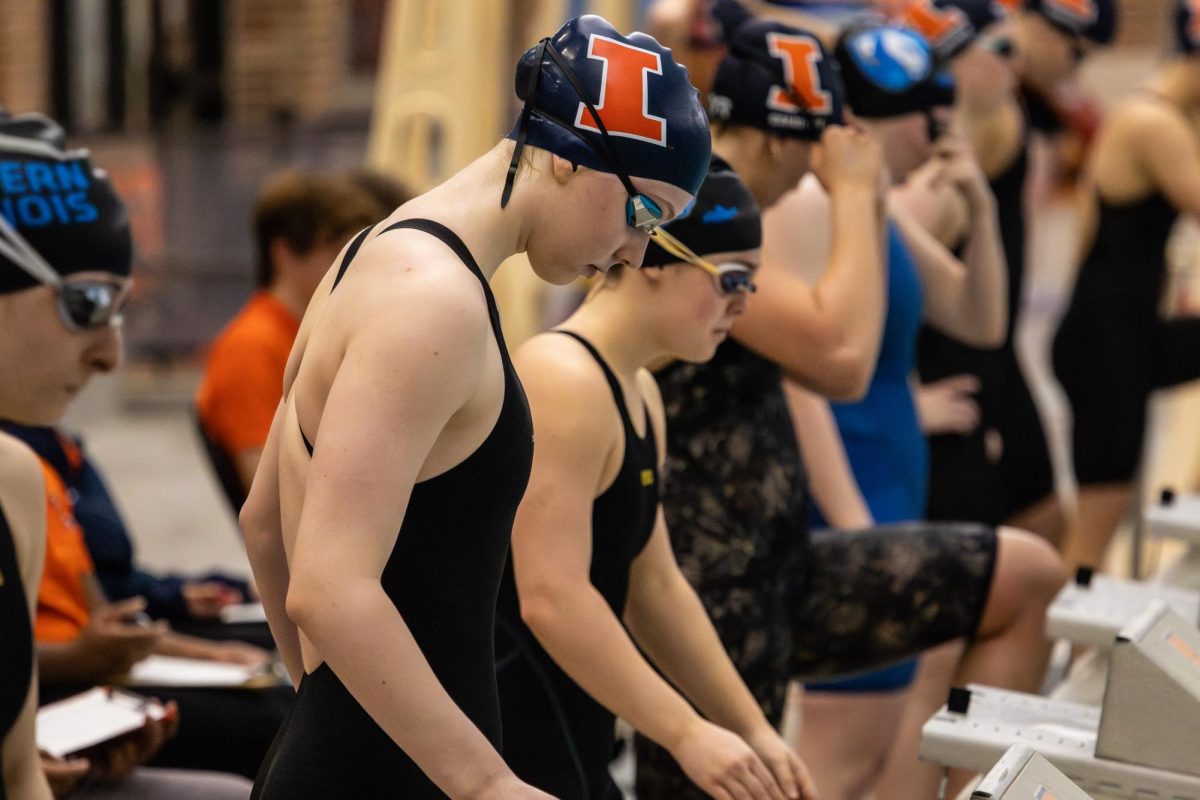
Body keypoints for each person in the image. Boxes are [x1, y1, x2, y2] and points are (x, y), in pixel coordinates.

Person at [242, 15, 711, 798]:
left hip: (371, 762)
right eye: (643, 215)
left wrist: (331, 713)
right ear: (567, 161)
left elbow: (267, 525)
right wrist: (486, 782)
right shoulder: (435, 304)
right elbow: (327, 584)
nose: (634, 255)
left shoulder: (375, 253)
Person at [634, 17, 1064, 800]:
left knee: (1026, 577)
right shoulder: (701, 211)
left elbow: (961, 325)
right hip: (703, 587)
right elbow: (839, 364)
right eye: (815, 144)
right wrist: (859, 196)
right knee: (793, 772)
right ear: (775, 138)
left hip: (777, 559)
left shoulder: (748, 205)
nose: (823, 163)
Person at [498, 165, 812, 800]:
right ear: (656, 257)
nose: (744, 304)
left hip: (571, 738)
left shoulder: (636, 390)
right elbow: (551, 597)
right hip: (509, 749)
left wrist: (752, 728)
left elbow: (656, 586)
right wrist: (685, 732)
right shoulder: (562, 378)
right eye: (733, 279)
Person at [0, 110, 254, 799]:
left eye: (119, 313)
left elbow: (16, 766)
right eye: (85, 304)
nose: (111, 356)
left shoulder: (19, 478)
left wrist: (47, 767)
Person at [903, 0, 1116, 542]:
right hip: (954, 380)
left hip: (995, 363)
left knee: (1044, 533)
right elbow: (876, 289)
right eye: (1002, 49)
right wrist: (898, 402)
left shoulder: (993, 122)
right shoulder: (940, 177)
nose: (1015, 61)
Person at [1052, 0, 1200, 572]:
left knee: (1101, 513)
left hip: (1121, 333)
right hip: (1104, 346)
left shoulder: (1159, 113)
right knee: (1096, 524)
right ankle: (1057, 652)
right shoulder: (1153, 123)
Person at [196, 170, 392, 511]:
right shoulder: (250, 346)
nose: (354, 266)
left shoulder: (307, 332)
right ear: (285, 253)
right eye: (336, 252)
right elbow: (269, 494)